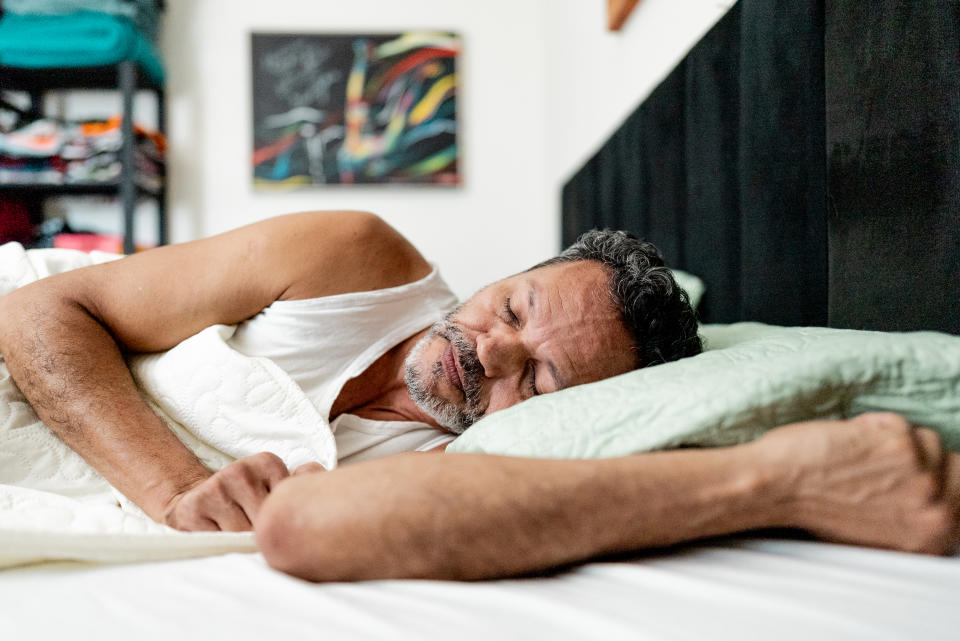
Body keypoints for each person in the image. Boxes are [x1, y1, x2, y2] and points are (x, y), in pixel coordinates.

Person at [0, 211, 957, 581]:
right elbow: (43, 312)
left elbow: (320, 524)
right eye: (513, 306)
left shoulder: (482, 461)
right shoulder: (354, 260)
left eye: (537, 376)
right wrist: (175, 489)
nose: (487, 351)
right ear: (504, 273)